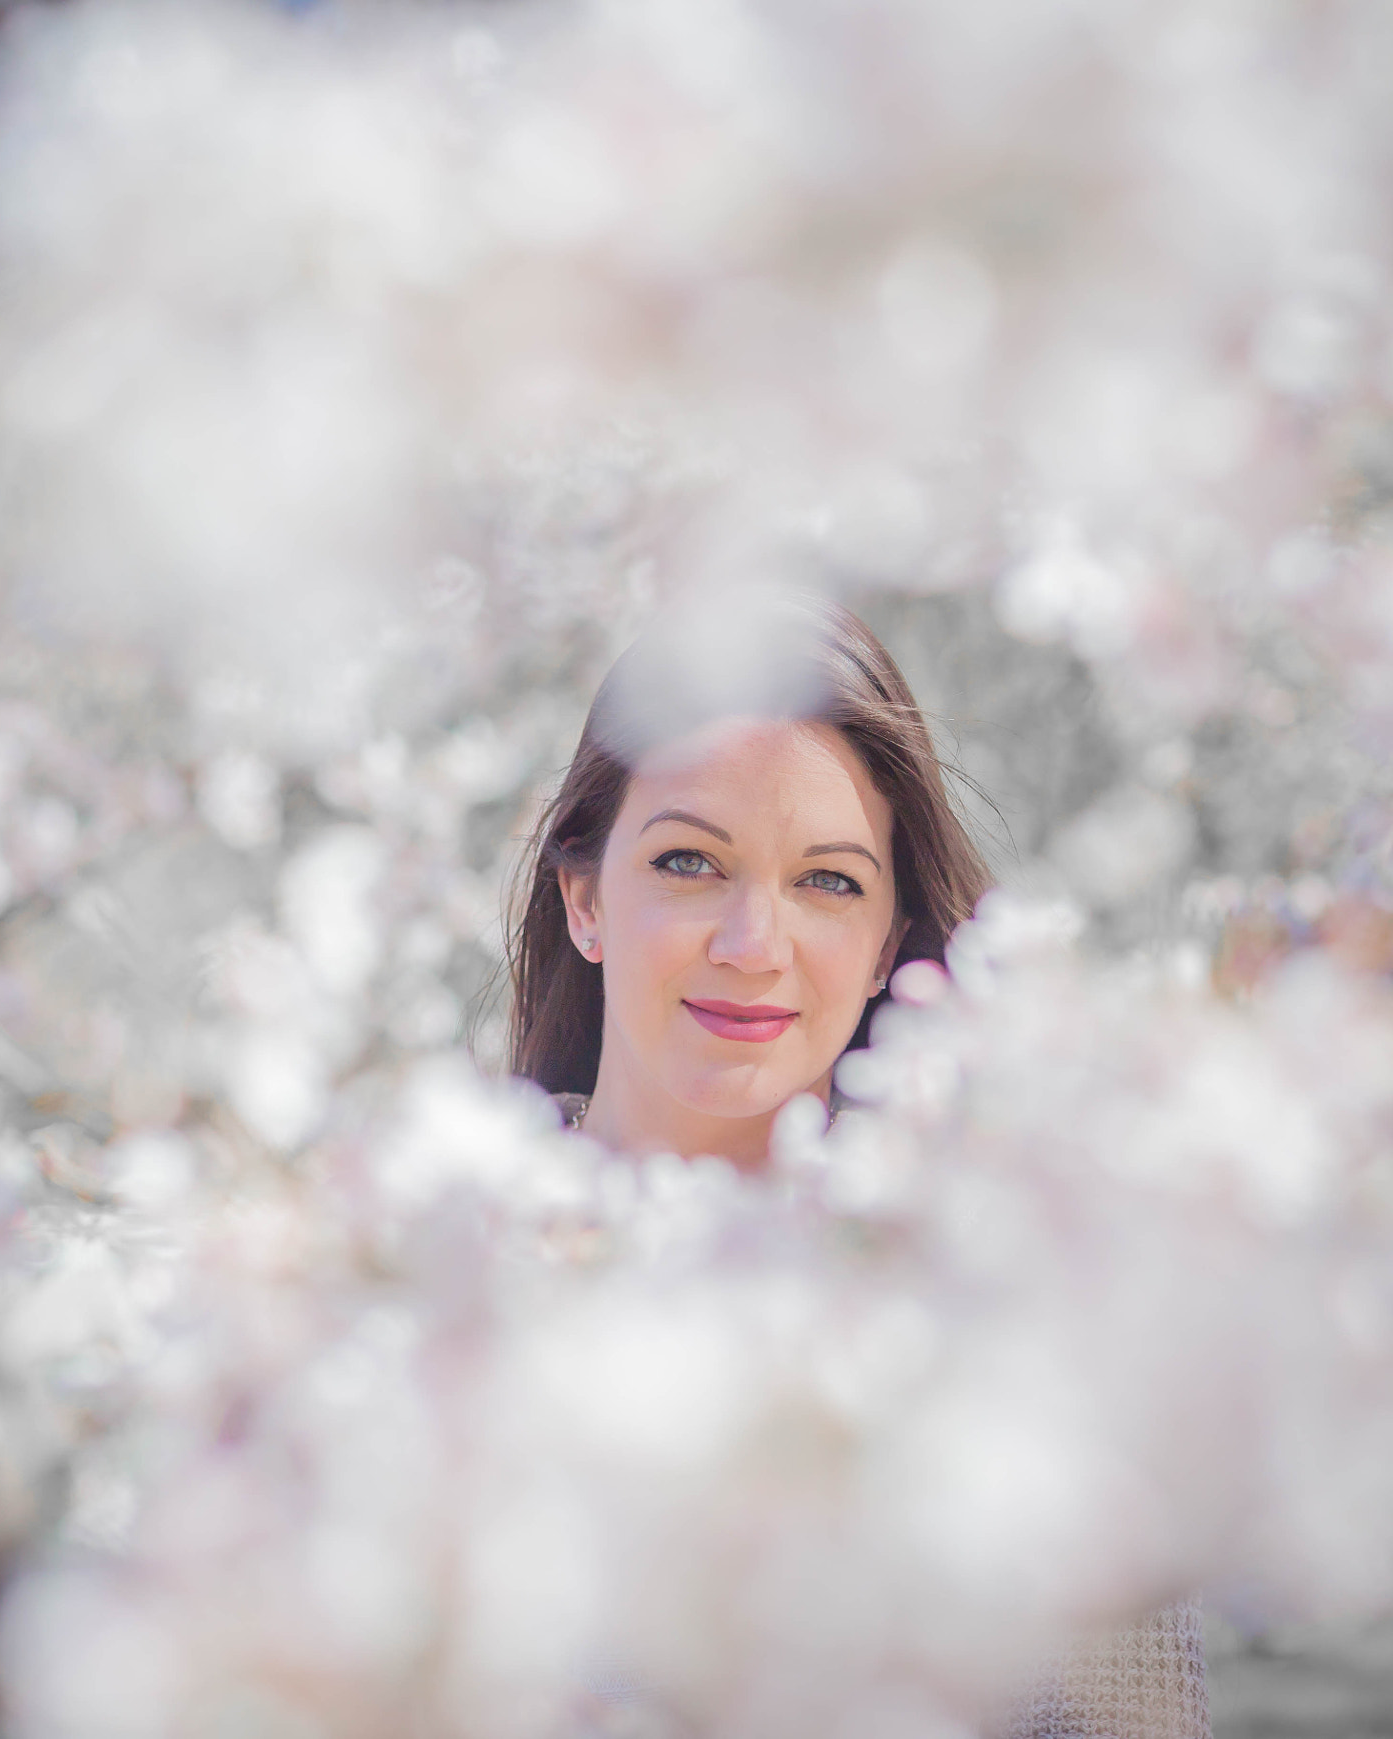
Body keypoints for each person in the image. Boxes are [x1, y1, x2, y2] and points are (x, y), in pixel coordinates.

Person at [504, 592, 1213, 1739]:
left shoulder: (1018, 1326)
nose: (752, 945)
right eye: (688, 861)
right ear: (583, 895)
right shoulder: (424, 1296)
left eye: (827, 880)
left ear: (888, 940)